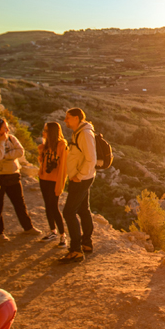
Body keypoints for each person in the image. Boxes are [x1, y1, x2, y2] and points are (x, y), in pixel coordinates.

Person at [0, 118, 38, 240]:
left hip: (13, 175)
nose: (7, 129)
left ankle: (28, 227)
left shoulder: (12, 138)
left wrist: (6, 155)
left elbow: (20, 152)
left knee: (19, 204)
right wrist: (1, 144)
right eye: (4, 127)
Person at [60, 108, 96, 263]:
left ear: (76, 118)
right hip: (82, 178)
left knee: (68, 212)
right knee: (83, 209)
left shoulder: (85, 134)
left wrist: (78, 176)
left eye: (67, 118)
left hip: (81, 179)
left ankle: (75, 250)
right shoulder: (79, 132)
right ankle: (86, 244)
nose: (65, 120)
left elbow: (91, 159)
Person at [37, 122, 68, 246]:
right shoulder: (44, 146)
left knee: (54, 207)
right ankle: (52, 231)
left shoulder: (62, 145)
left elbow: (63, 168)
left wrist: (60, 185)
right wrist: (41, 151)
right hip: (43, 178)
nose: (43, 132)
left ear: (52, 132)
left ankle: (62, 235)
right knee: (48, 206)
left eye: (46, 130)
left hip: (54, 180)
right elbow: (42, 162)